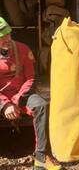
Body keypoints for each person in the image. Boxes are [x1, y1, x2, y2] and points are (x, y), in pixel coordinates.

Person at [0, 17, 61, 170]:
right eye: (2, 37)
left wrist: (15, 100)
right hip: (2, 98)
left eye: (8, 34)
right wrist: (5, 104)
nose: (7, 39)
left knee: (41, 105)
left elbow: (31, 78)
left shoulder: (22, 49)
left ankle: (42, 156)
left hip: (21, 95)